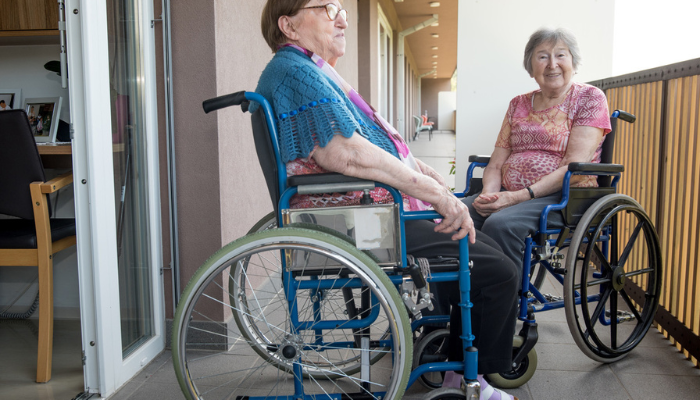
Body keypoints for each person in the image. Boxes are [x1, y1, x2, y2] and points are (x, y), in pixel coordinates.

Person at [255, 1, 519, 399]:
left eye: (341, 7)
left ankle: (444, 348)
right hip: (358, 217)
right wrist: (434, 193)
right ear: (288, 25)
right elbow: (344, 153)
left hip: (363, 208)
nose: (342, 16)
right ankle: (471, 378)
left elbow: (372, 147)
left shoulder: (304, 69)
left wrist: (425, 177)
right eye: (327, 7)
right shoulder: (295, 72)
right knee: (499, 270)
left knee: (478, 240)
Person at [464, 27, 612, 270]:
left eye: (560, 55)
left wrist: (516, 197)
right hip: (509, 192)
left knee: (500, 225)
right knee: (455, 215)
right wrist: (489, 196)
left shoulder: (589, 98)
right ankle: (464, 301)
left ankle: (501, 303)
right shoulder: (518, 104)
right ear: (531, 68)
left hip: (561, 196)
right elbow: (496, 164)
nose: (552, 64)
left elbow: (572, 167)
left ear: (573, 62)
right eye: (542, 56)